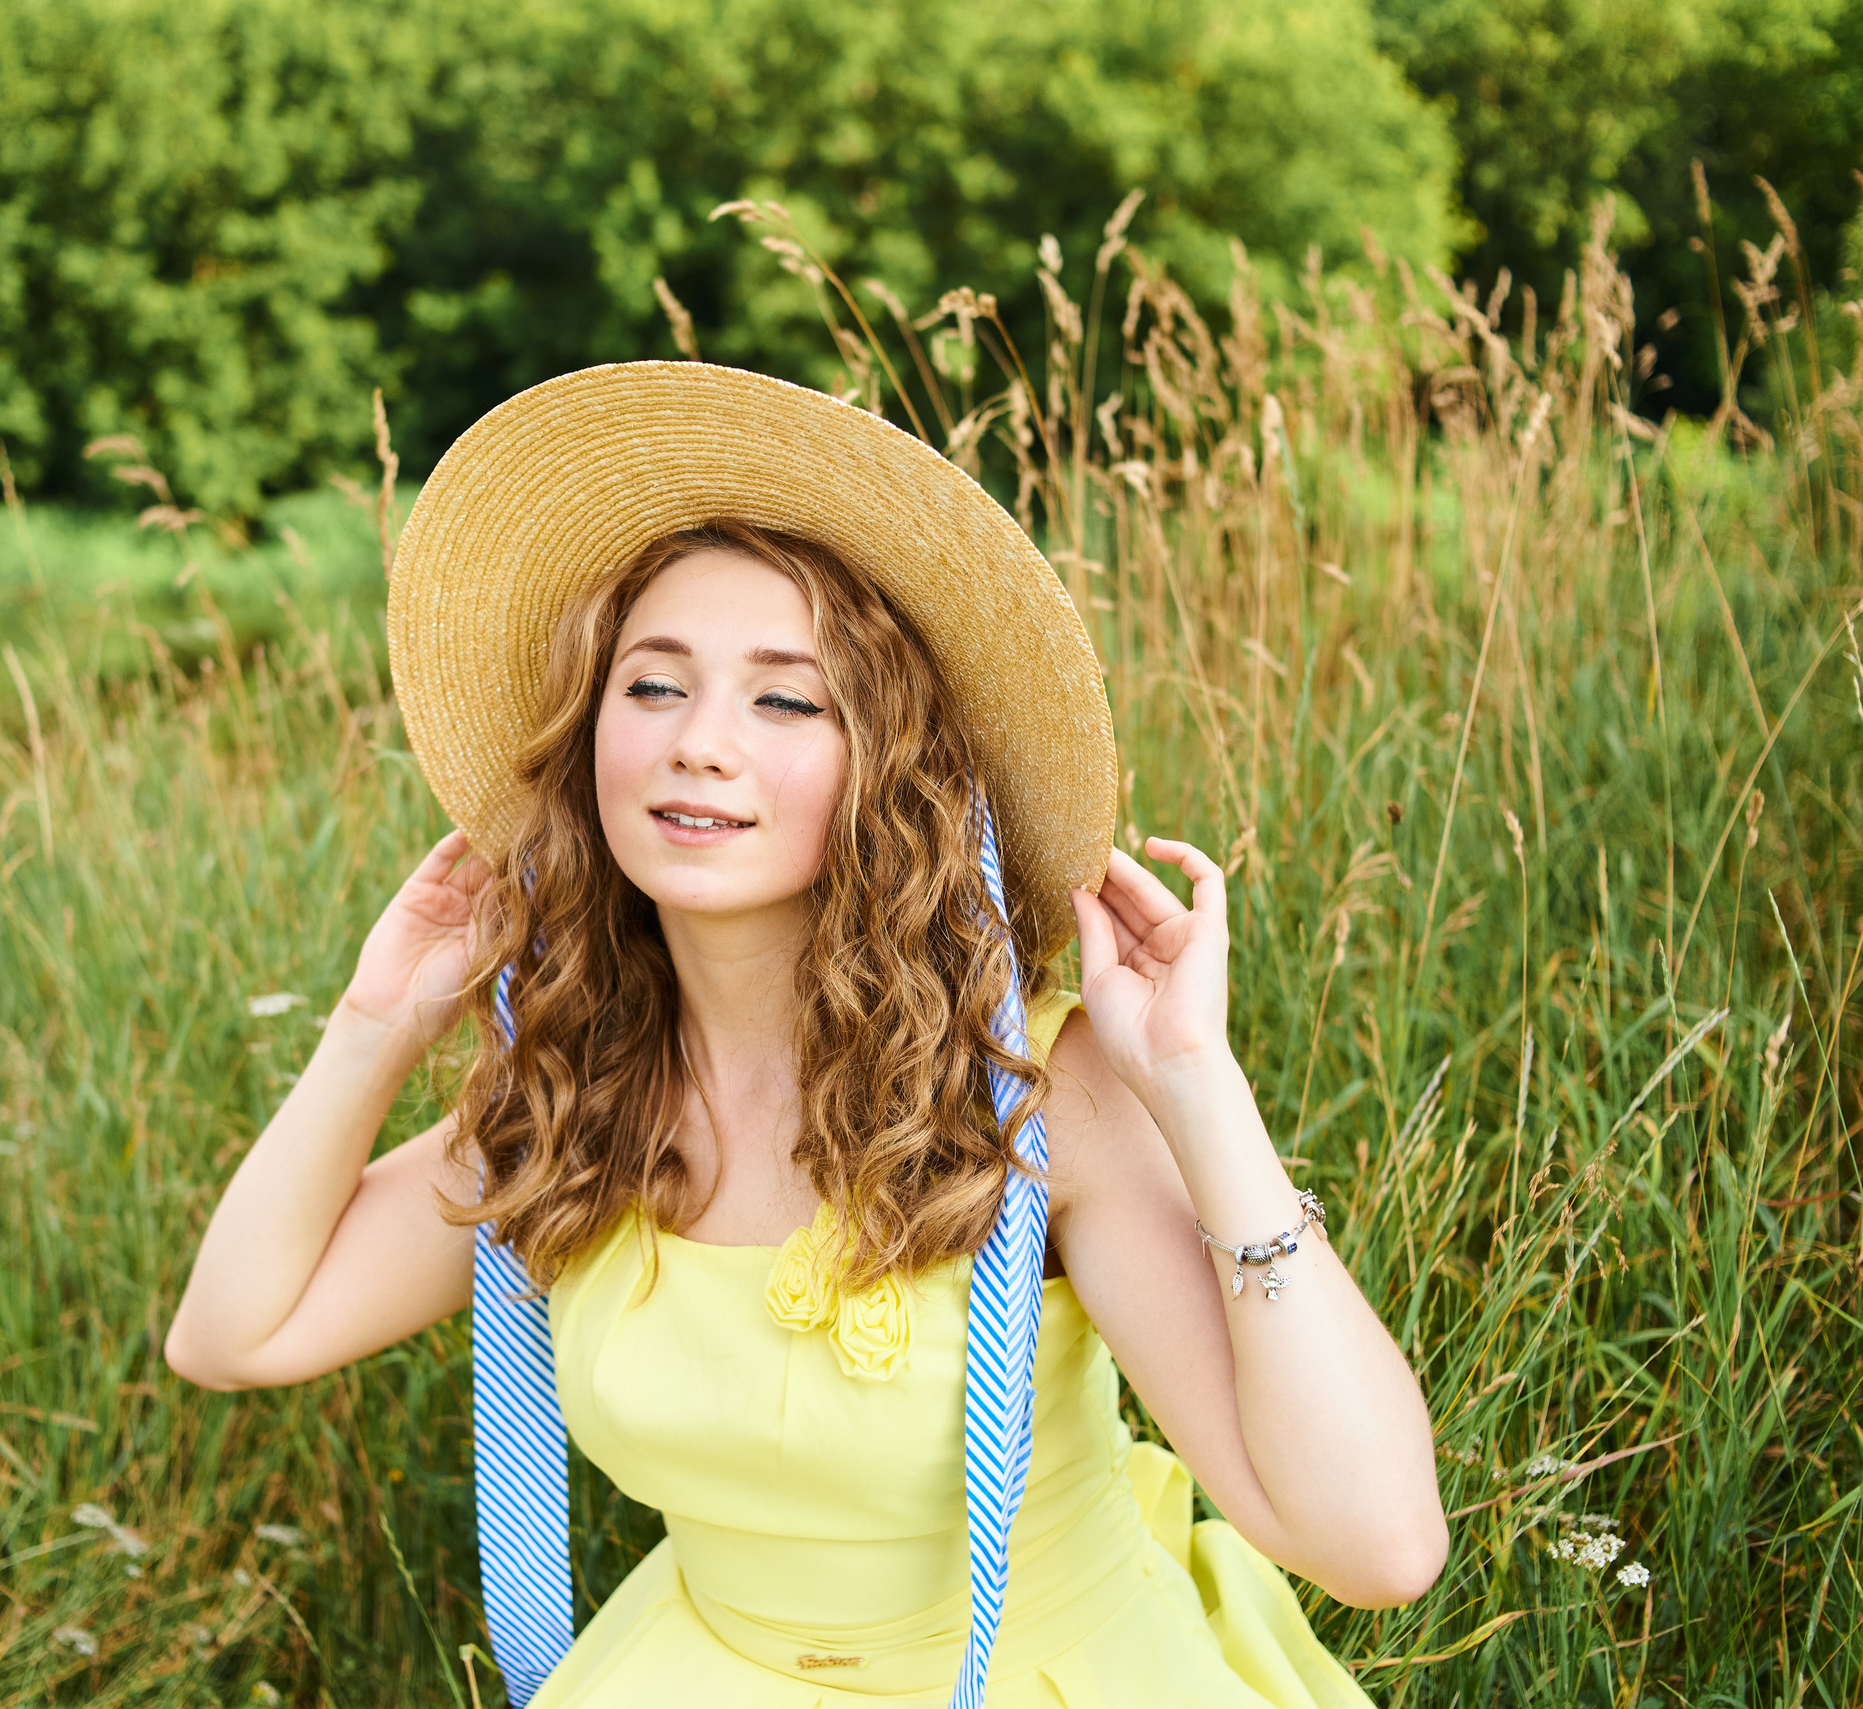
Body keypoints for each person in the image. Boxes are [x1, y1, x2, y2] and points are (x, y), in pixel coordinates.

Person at [166, 363, 1446, 1707]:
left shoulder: (1027, 1090)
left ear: (892, 765)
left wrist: (1195, 1085)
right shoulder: (585, 1083)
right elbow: (236, 1333)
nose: (698, 743)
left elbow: (1378, 1547)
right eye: (652, 686)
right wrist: (373, 1026)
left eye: (786, 700)